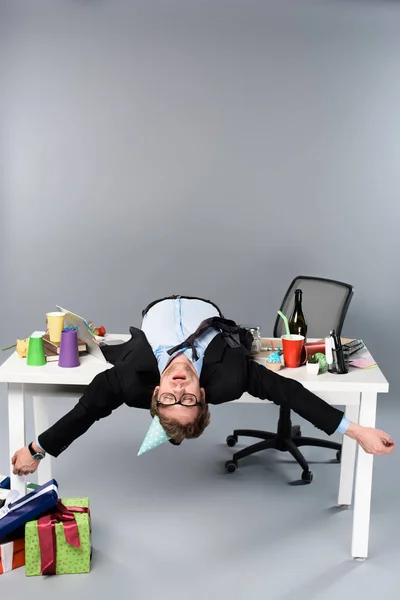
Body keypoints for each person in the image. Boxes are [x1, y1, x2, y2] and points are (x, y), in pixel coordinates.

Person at [12, 295, 394, 476]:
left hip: (157, 305)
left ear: (154, 397)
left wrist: (37, 449)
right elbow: (290, 392)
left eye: (170, 398)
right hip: (204, 305)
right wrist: (357, 431)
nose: (179, 387)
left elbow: (87, 411)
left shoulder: (130, 383)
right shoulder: (232, 377)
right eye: (188, 399)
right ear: (205, 396)